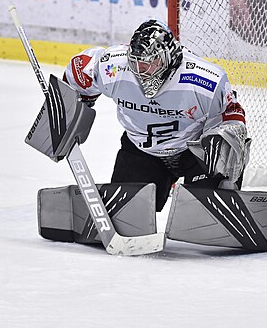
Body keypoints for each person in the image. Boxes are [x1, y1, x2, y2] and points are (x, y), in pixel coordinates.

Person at [63, 19, 250, 212]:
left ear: (168, 58)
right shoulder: (114, 67)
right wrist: (66, 110)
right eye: (134, 62)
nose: (139, 70)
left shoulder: (204, 81)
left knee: (206, 216)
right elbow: (79, 72)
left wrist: (225, 139)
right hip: (141, 150)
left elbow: (231, 115)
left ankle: (221, 196)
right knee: (125, 215)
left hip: (194, 152)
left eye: (148, 64)